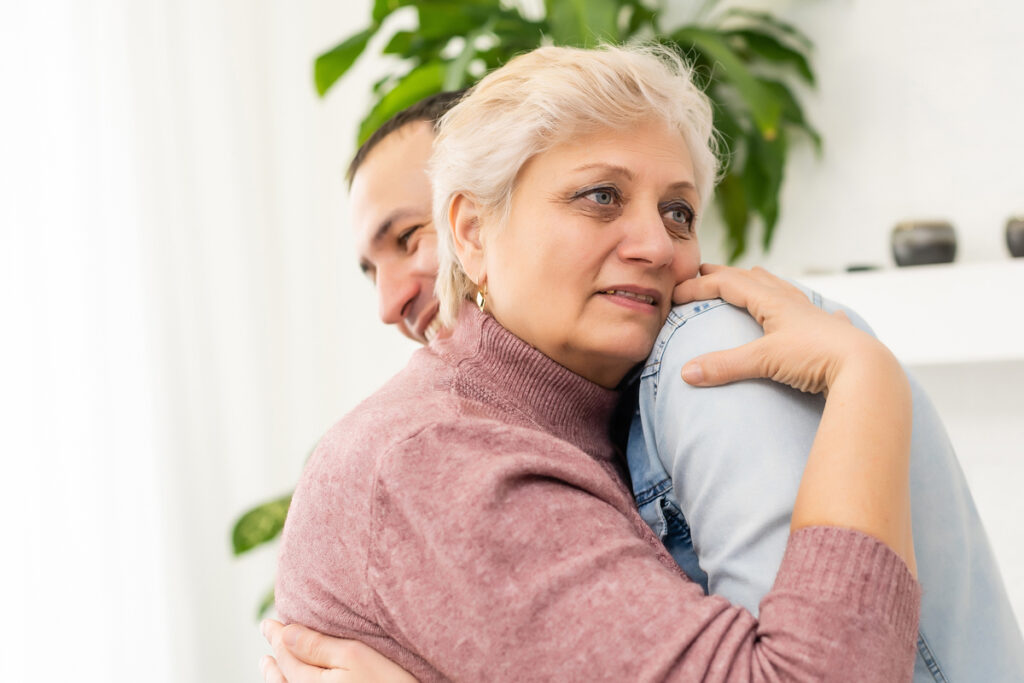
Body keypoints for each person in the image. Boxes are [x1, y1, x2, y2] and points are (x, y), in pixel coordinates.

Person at [262, 65, 1024, 683]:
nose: (657, 247)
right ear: (472, 229)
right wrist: (866, 379)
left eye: (679, 212)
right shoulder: (438, 459)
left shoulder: (591, 411)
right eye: (601, 197)